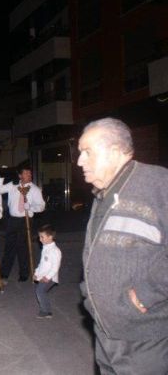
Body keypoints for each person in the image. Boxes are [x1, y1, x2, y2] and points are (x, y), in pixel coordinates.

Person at [77, 117, 168, 374]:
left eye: (87, 152)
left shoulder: (157, 184)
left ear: (115, 152)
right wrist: (89, 293)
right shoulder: (104, 193)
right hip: (107, 331)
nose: (80, 161)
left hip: (144, 337)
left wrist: (146, 294)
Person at [0, 166, 45, 281]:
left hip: (26, 219)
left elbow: (41, 206)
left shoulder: (35, 189)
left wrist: (30, 206)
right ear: (20, 175)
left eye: (30, 173)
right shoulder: (13, 185)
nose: (29, 175)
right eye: (26, 173)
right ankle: (4, 273)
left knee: (23, 247)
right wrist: (2, 176)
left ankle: (24, 273)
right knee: (9, 246)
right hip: (13, 220)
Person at [33, 224, 61, 319]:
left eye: (42, 237)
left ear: (50, 237)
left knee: (40, 291)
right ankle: (46, 309)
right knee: (41, 291)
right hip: (43, 275)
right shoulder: (45, 248)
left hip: (51, 277)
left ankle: (46, 311)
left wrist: (48, 277)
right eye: (39, 237)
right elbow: (42, 263)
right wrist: (36, 273)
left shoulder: (55, 251)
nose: (40, 239)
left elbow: (55, 267)